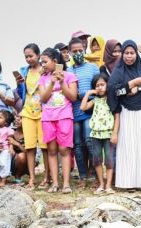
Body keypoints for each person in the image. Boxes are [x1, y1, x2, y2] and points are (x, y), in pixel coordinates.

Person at [107, 40, 141, 190]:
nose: (129, 56)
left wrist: (140, 88)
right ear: (122, 54)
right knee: (128, 147)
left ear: (136, 55)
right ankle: (128, 182)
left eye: (132, 53)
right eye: (126, 53)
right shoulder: (118, 72)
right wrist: (131, 84)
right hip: (127, 114)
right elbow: (113, 91)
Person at [38, 47, 78, 193]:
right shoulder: (43, 78)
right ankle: (55, 183)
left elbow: (73, 97)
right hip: (48, 117)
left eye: (45, 62)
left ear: (55, 61)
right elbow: (43, 98)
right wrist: (51, 82)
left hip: (64, 116)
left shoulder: (69, 76)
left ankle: (66, 184)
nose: (42, 65)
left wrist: (61, 83)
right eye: (41, 62)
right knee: (52, 150)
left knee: (64, 149)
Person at [13, 43, 47, 190]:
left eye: (31, 56)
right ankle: (32, 179)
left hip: (43, 112)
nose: (28, 59)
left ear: (38, 55)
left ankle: (47, 177)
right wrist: (19, 83)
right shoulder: (24, 71)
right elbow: (21, 93)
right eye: (26, 57)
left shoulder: (45, 70)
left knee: (44, 146)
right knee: (30, 146)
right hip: (27, 111)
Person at [68, 37, 100, 187]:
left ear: (85, 50)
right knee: (77, 144)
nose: (78, 53)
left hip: (90, 111)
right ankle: (82, 176)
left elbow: (99, 87)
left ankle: (94, 174)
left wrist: (84, 94)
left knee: (89, 141)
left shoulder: (93, 67)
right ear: (69, 53)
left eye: (80, 50)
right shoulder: (68, 71)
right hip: (74, 112)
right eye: (74, 51)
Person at [81, 73, 117, 193]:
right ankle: (101, 184)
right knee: (96, 159)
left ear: (107, 85)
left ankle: (108, 185)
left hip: (108, 133)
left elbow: (117, 116)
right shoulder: (95, 100)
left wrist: (115, 133)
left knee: (109, 159)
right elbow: (83, 107)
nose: (100, 87)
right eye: (97, 85)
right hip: (95, 133)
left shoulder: (112, 99)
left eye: (102, 84)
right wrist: (88, 94)